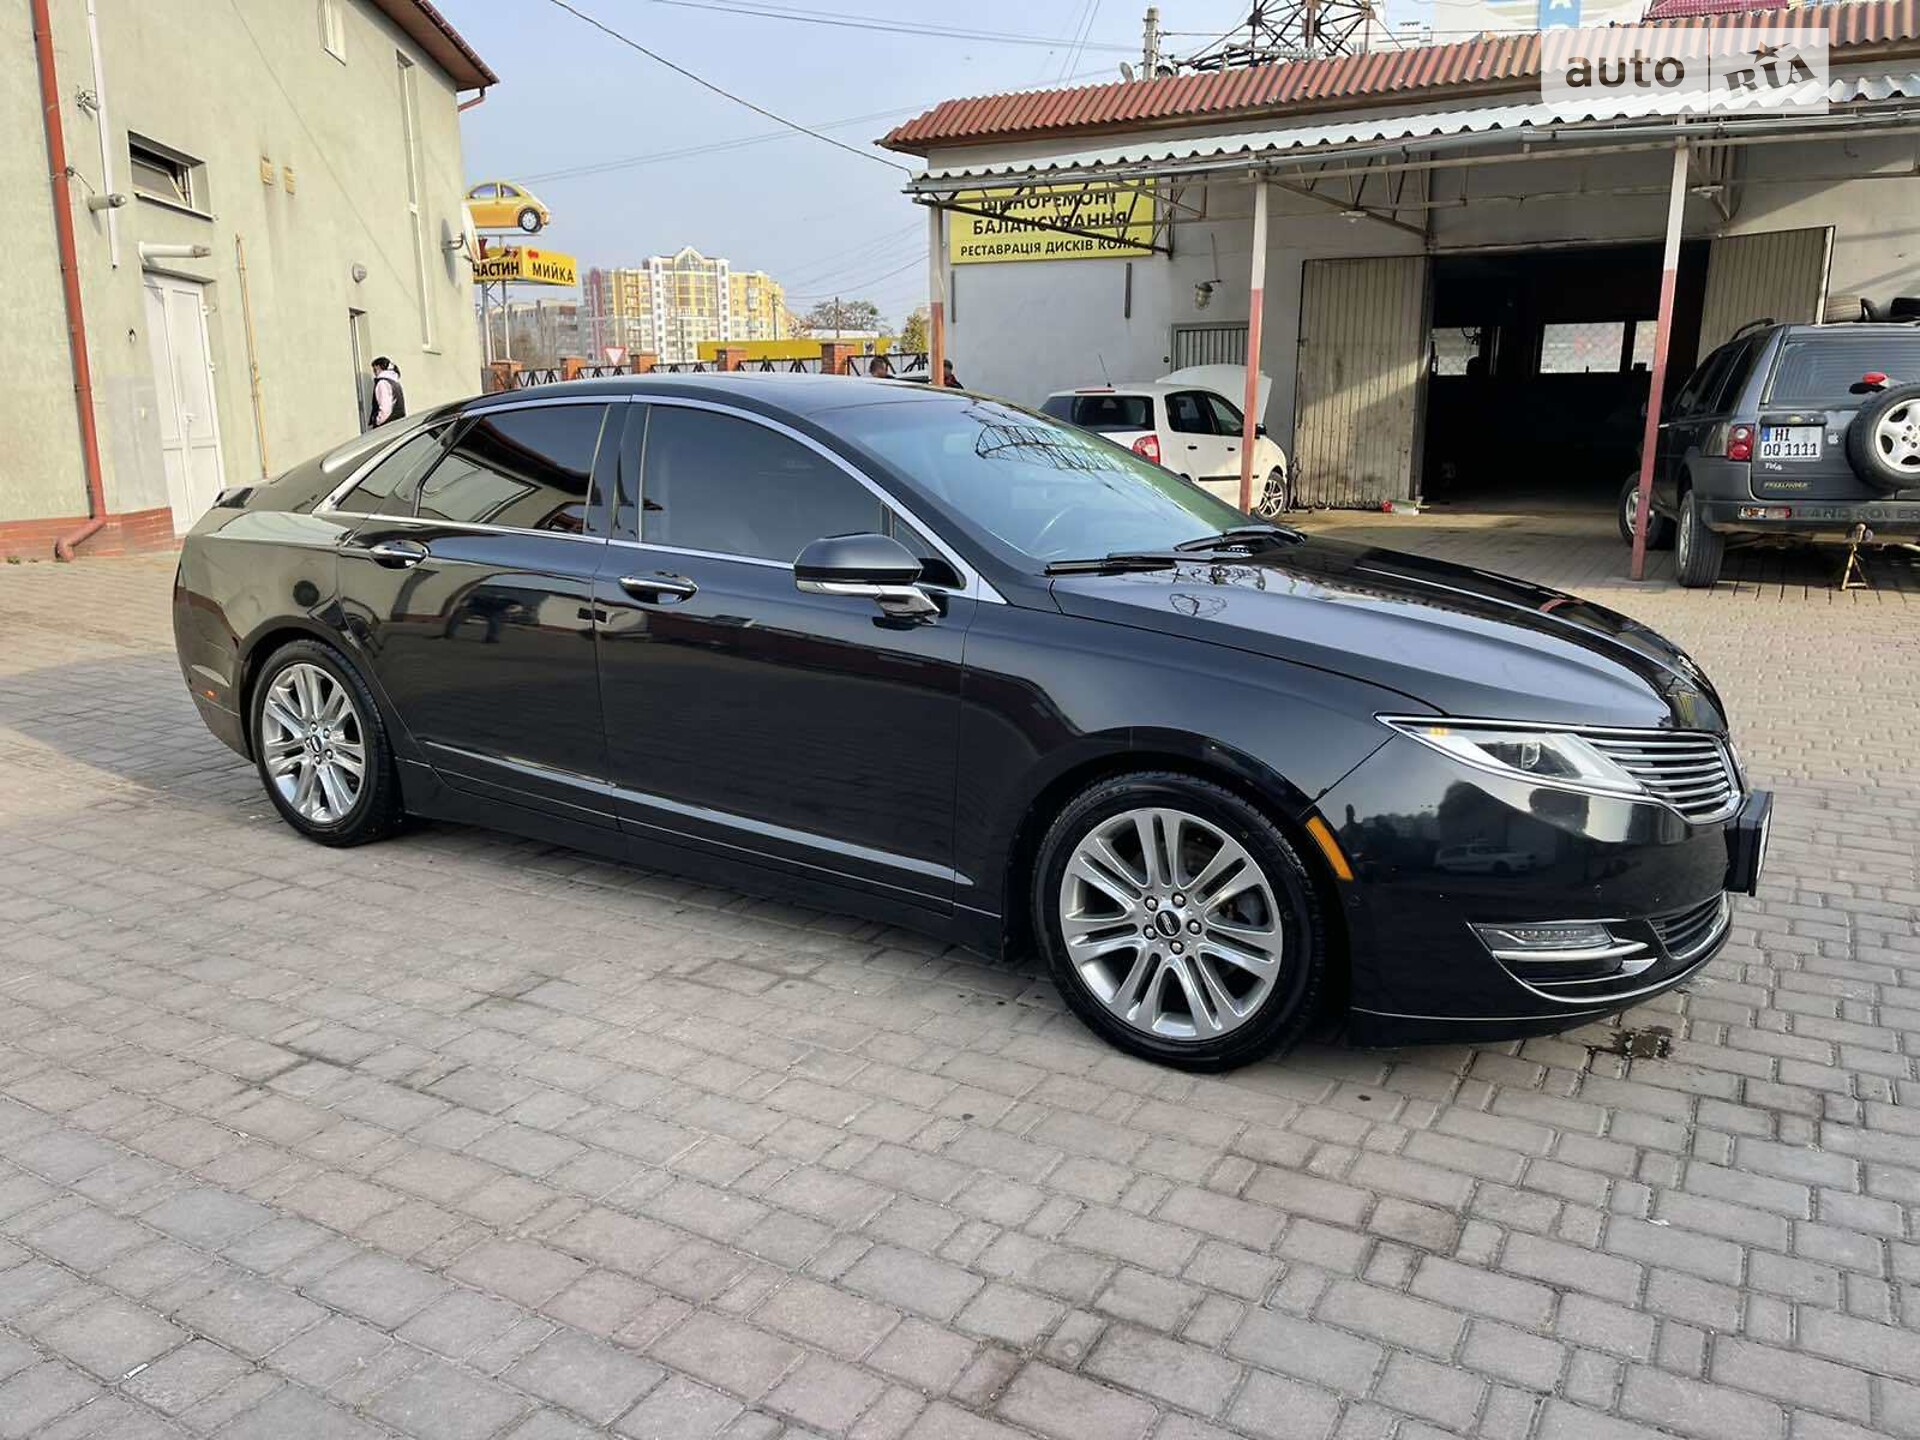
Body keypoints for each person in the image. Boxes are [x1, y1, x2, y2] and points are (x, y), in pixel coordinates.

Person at [367, 357, 406, 428]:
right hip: (398, 424)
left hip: (386, 426)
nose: (374, 373)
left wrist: (377, 421)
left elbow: (385, 409)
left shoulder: (382, 383)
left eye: (374, 370)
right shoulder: (395, 382)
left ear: (378, 367)